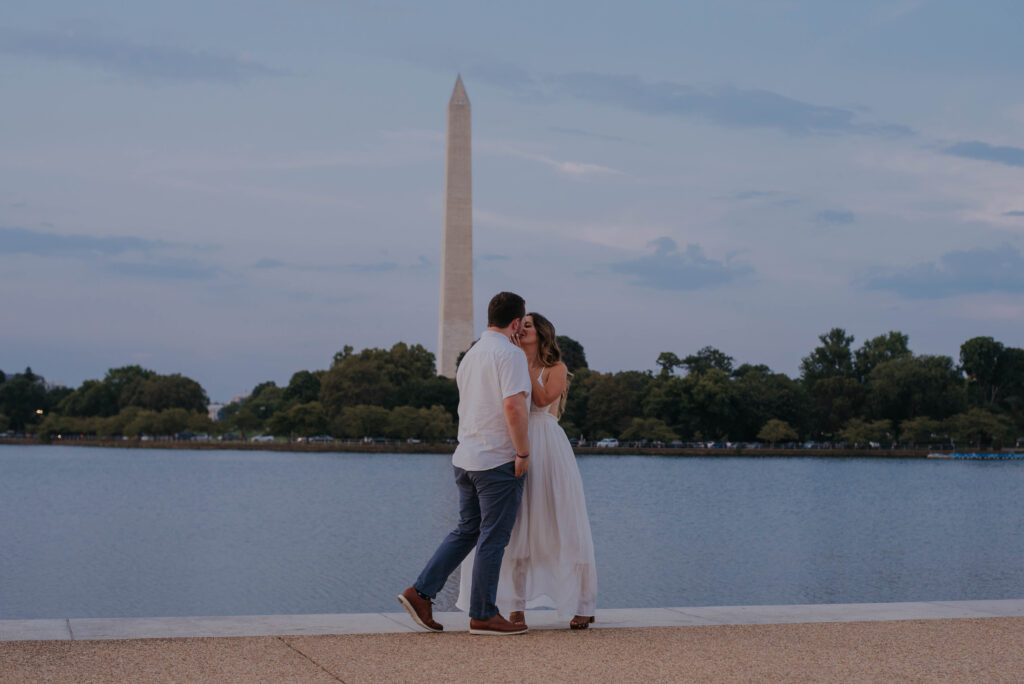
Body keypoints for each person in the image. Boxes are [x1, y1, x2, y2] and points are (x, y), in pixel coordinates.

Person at [398, 291, 533, 635]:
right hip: (497, 460)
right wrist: (523, 453)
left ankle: (420, 592)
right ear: (516, 323)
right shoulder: (511, 355)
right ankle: (484, 613)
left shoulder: (471, 355)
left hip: (466, 458)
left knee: (466, 531)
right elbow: (514, 407)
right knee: (493, 537)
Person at [457, 312, 598, 629]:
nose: (521, 329)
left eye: (528, 326)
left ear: (542, 334)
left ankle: (584, 603)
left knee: (566, 523)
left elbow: (546, 398)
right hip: (515, 445)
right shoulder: (508, 361)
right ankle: (515, 604)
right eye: (519, 325)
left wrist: (521, 367)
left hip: (548, 446)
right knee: (516, 527)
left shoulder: (556, 369)